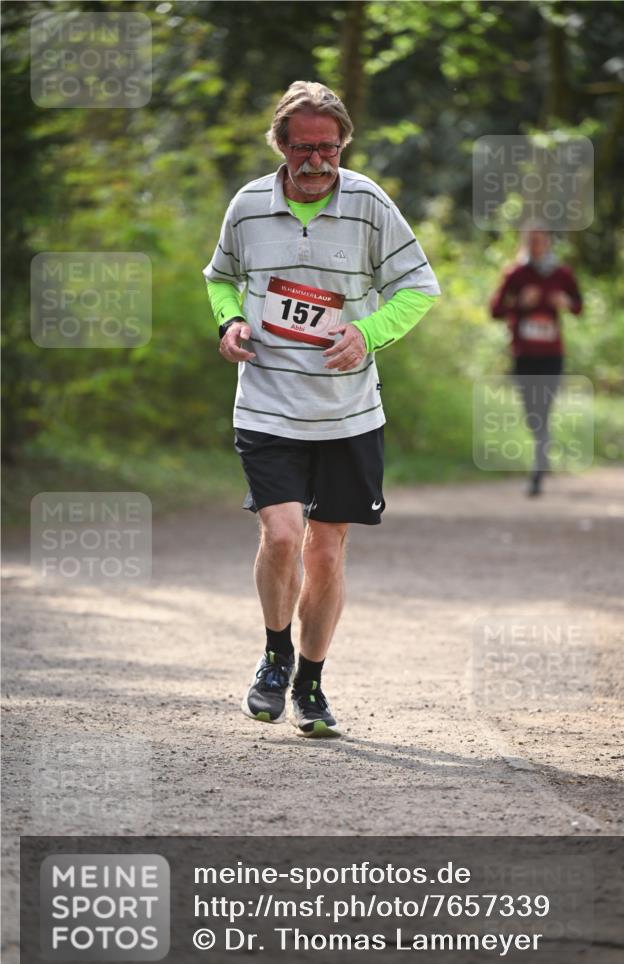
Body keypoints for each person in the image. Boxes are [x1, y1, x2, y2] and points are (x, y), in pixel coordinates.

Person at [203, 81, 440, 736]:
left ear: (343, 146)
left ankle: (310, 681)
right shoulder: (248, 207)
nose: (317, 161)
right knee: (281, 534)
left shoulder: (368, 204)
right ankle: (274, 656)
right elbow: (220, 277)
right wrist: (227, 323)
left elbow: (419, 286)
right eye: (304, 148)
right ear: (279, 145)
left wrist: (368, 332)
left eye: (329, 148)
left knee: (326, 553)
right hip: (268, 406)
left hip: (347, 412)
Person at [489, 225, 583, 496]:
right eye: (532, 242)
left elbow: (579, 306)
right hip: (524, 354)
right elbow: (495, 310)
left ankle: (537, 471)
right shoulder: (516, 273)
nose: (536, 247)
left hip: (552, 355)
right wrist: (520, 302)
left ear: (549, 243)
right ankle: (543, 447)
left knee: (544, 409)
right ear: (525, 244)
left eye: (541, 242)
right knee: (532, 413)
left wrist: (564, 302)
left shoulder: (562, 274)